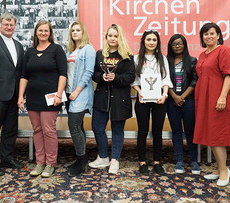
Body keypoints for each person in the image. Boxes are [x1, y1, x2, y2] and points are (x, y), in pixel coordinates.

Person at [18, 20, 67, 178]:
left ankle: (50, 163)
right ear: (36, 32)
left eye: (46, 30)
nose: (43, 33)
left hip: (50, 98)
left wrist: (59, 95)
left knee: (48, 130)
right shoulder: (30, 52)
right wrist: (20, 96)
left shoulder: (56, 50)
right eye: (40, 30)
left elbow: (63, 74)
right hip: (33, 97)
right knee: (37, 130)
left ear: (50, 33)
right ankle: (40, 163)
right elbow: (24, 76)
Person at [194, 22, 230, 187]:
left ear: (219, 35)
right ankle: (220, 167)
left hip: (218, 96)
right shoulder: (202, 54)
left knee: (218, 135)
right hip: (205, 98)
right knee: (210, 134)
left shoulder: (224, 51)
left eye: (212, 33)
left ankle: (223, 170)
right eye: (205, 34)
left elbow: (229, 75)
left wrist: (222, 96)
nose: (209, 36)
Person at [88, 24, 135, 175]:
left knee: (117, 130)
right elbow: (93, 74)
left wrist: (116, 78)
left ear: (119, 37)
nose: (112, 38)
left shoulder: (127, 55)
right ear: (106, 37)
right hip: (102, 97)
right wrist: (101, 77)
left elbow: (131, 77)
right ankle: (103, 157)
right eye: (110, 36)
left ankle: (114, 160)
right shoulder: (100, 54)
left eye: (115, 36)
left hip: (119, 100)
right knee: (97, 127)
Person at [0, 13, 25, 176]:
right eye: (6, 24)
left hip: (14, 94)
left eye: (11, 25)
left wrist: (21, 94)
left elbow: (19, 71)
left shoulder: (19, 45)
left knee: (10, 129)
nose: (9, 27)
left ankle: (7, 158)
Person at [131, 30, 172, 175]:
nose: (151, 42)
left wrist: (165, 95)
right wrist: (139, 91)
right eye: (148, 39)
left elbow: (166, 79)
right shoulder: (136, 58)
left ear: (157, 42)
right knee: (142, 131)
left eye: (154, 40)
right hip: (142, 98)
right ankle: (142, 162)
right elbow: (134, 80)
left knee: (157, 132)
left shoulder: (162, 58)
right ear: (143, 41)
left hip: (159, 99)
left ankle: (157, 162)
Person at [65, 21, 96, 176]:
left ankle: (81, 160)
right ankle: (81, 158)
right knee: (79, 127)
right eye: (73, 30)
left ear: (83, 32)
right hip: (69, 93)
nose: (75, 32)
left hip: (80, 93)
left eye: (78, 30)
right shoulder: (70, 50)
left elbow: (88, 72)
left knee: (74, 126)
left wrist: (76, 91)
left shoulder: (88, 49)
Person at [166, 34, 200, 174]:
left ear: (185, 45)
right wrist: (174, 96)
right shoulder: (166, 62)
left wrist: (183, 97)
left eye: (180, 43)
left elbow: (195, 81)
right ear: (170, 46)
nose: (177, 46)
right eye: (174, 44)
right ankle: (179, 161)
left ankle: (193, 161)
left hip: (188, 100)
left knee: (190, 131)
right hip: (171, 100)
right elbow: (164, 80)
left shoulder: (192, 61)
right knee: (176, 131)